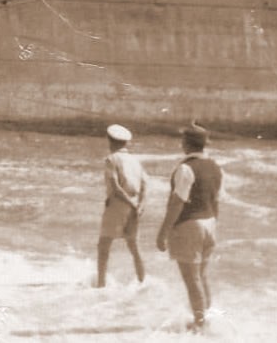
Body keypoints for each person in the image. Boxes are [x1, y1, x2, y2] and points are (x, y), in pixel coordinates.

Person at [157, 122, 223, 332]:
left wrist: (163, 232)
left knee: (191, 278)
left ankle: (200, 326)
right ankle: (206, 321)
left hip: (190, 225)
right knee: (201, 276)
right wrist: (213, 225)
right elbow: (216, 200)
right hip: (210, 223)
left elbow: (178, 202)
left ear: (186, 143)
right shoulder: (215, 166)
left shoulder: (185, 168)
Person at [96, 124, 146, 288]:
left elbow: (116, 187)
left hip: (119, 205)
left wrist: (130, 203)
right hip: (135, 206)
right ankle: (142, 281)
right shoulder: (135, 161)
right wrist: (140, 204)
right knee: (134, 247)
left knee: (104, 246)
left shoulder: (111, 159)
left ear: (110, 141)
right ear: (126, 143)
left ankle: (101, 285)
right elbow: (145, 184)